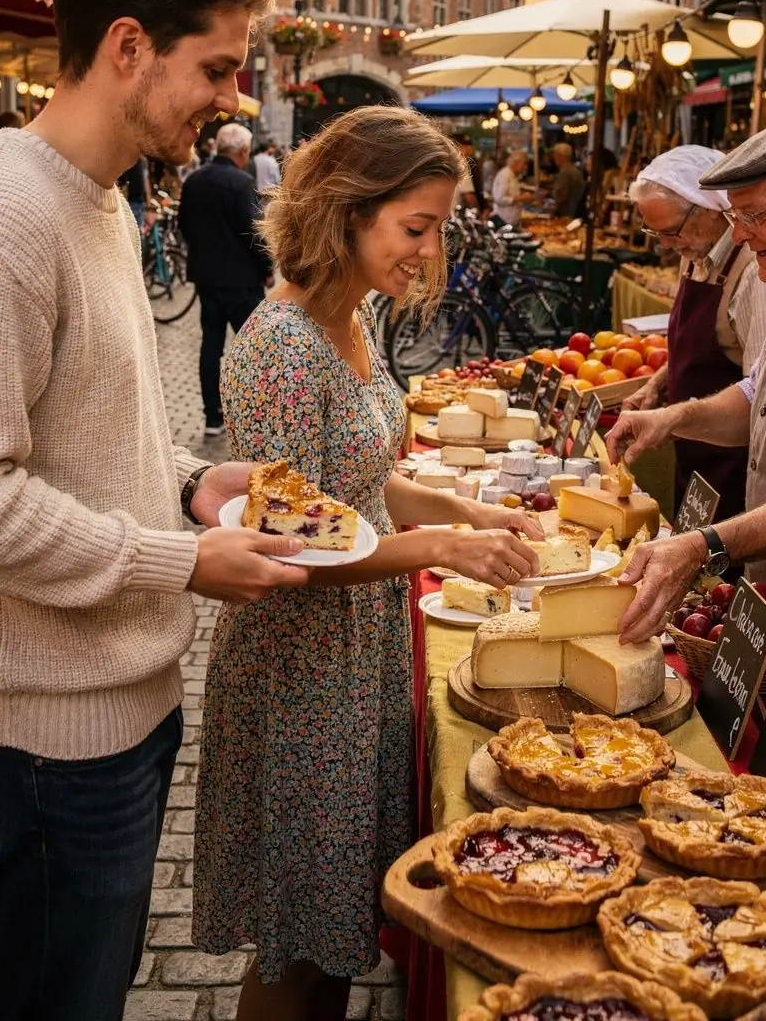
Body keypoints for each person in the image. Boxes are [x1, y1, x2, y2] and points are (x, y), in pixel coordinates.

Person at [0, 0, 311, 1021]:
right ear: (128, 46)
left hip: (120, 709)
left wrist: (190, 477)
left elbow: (84, 427)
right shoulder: (13, 217)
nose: (235, 98)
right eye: (218, 68)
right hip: (46, 740)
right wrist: (182, 560)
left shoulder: (101, 201)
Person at [192, 106, 545, 1021]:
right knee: (299, 943)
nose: (428, 253)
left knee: (343, 918)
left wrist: (459, 507)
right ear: (347, 211)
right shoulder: (279, 345)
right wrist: (434, 546)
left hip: (361, 655)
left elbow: (361, 484)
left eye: (437, 231)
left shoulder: (353, 316)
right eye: (415, 228)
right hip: (299, 669)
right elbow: (290, 543)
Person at [607, 118, 766, 645]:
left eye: (752, 215)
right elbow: (757, 396)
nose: (738, 234)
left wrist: (704, 546)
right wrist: (675, 416)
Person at [625, 146, 766, 520]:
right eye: (654, 232)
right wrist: (658, 383)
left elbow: (762, 395)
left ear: (710, 209)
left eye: (671, 231)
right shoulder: (694, 253)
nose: (663, 244)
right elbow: (692, 347)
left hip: (733, 467)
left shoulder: (755, 275)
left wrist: (678, 417)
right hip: (693, 452)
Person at [179, 122, 269, 436]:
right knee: (255, 350)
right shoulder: (242, 183)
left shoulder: (194, 180)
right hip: (241, 280)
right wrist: (267, 269)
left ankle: (213, 417)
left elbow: (184, 226)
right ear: (243, 152)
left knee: (211, 346)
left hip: (207, 278)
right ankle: (254, 412)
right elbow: (254, 233)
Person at [491, 148, 529, 227]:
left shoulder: (512, 175)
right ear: (516, 162)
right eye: (524, 164)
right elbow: (500, 199)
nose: (525, 167)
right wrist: (522, 198)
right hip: (503, 220)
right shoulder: (505, 175)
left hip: (510, 221)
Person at [551, 141, 586, 219]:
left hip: (566, 212)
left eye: (556, 155)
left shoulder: (564, 172)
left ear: (562, 156)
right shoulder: (576, 171)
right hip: (576, 210)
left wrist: (554, 209)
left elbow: (561, 194)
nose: (554, 158)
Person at [453, 132, 486, 212]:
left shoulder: (472, 164)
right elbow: (470, 197)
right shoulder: (459, 166)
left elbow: (478, 188)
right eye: (464, 147)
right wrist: (478, 213)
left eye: (469, 147)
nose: (468, 151)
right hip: (452, 213)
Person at [118, 154, 150, 232]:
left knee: (137, 234)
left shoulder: (142, 161)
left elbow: (146, 182)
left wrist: (148, 203)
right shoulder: (128, 158)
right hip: (131, 202)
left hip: (139, 202)